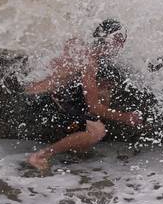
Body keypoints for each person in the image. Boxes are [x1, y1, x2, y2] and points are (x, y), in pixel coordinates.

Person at [25, 19, 143, 171]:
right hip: (37, 101)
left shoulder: (84, 51)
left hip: (44, 94)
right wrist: (126, 117)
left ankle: (77, 145)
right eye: (119, 40)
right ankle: (41, 155)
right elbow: (94, 107)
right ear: (108, 40)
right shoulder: (89, 61)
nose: (122, 45)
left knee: (103, 90)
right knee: (97, 131)